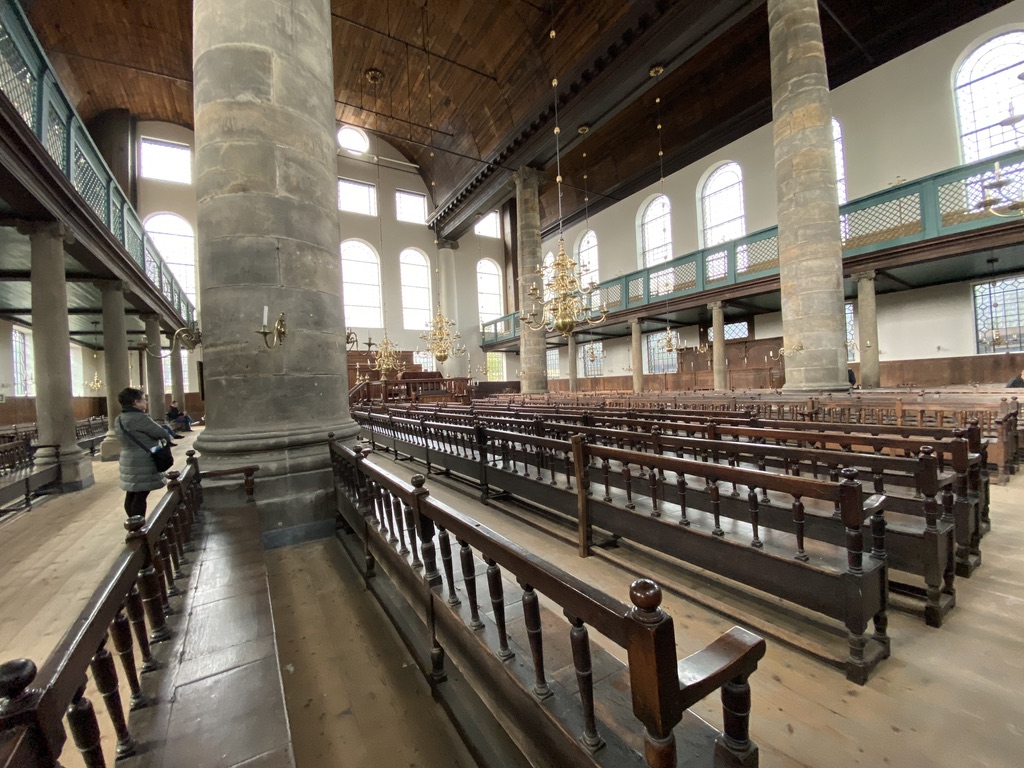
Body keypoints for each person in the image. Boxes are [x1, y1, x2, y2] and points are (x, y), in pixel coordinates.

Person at [115, 387, 171, 518]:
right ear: (136, 402)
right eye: (144, 399)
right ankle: (139, 526)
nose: (146, 402)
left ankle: (133, 523)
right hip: (143, 460)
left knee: (131, 494)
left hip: (127, 458)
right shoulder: (139, 418)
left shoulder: (119, 418)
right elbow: (162, 433)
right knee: (141, 495)